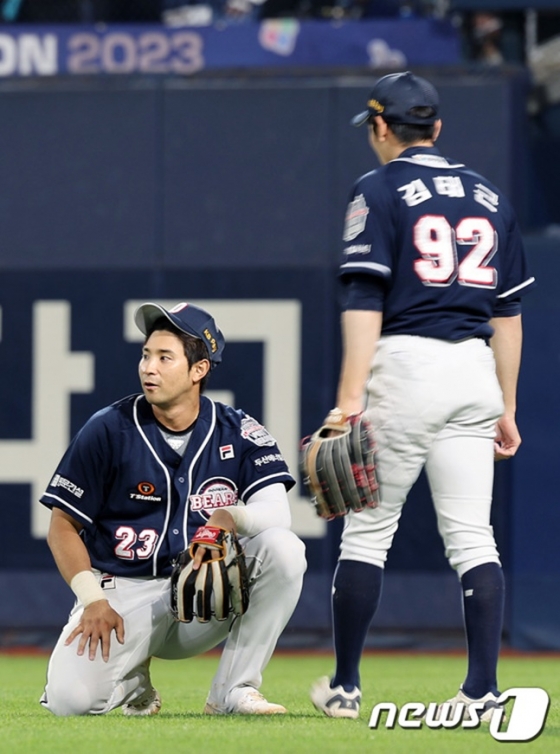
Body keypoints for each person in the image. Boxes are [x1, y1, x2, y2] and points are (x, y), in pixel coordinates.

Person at [310, 71, 535, 720]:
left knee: (368, 532)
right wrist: (508, 404)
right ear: (436, 128)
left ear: (382, 127)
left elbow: (363, 297)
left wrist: (349, 399)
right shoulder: (491, 196)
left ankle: (346, 687)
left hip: (408, 365)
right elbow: (508, 314)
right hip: (475, 371)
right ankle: (483, 691)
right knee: (473, 538)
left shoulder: (377, 188)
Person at [39, 301, 306, 717]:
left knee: (284, 549)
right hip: (123, 594)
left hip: (203, 597)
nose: (149, 367)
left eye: (165, 358)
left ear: (198, 370)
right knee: (69, 704)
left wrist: (229, 517)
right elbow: (62, 525)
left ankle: (233, 691)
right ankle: (133, 683)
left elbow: (278, 512)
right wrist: (91, 599)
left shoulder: (237, 429)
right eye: (146, 354)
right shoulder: (109, 428)